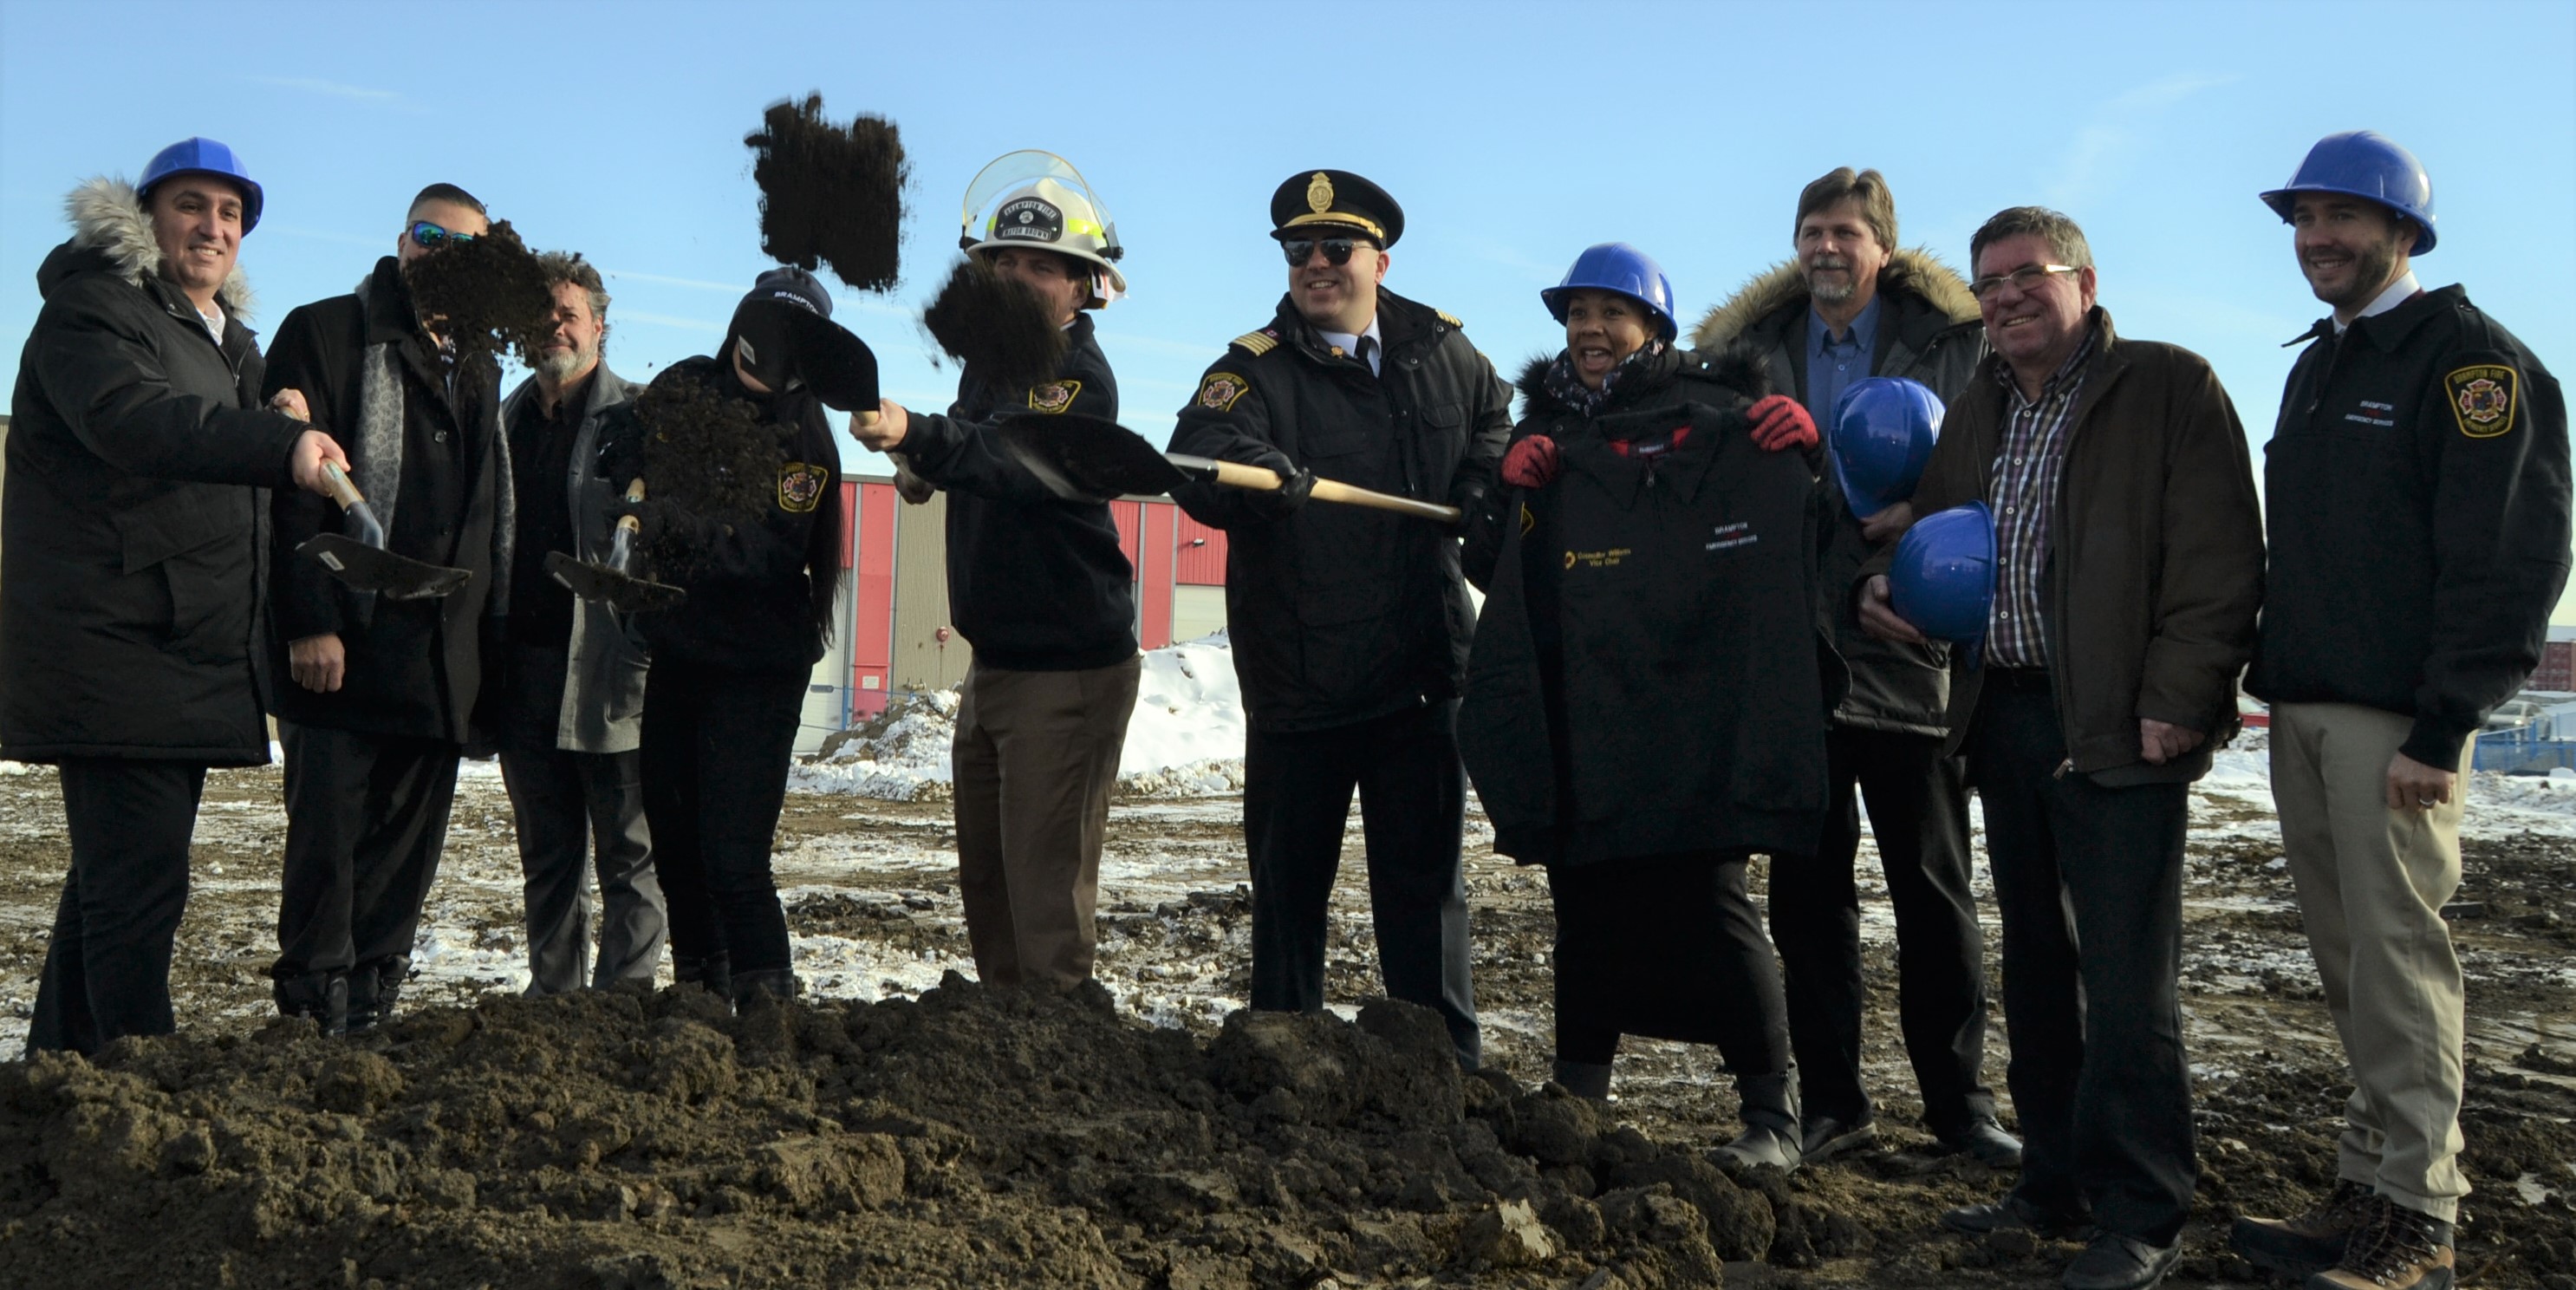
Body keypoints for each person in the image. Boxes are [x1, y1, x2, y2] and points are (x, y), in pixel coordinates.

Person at [1857, 206, 2264, 1290]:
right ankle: (2050, 1180)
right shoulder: (1978, 406)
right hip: (2007, 718)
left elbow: (2219, 565)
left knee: (2129, 982)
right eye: (1986, 286)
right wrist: (1881, 593)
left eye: (2024, 278)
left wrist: (2178, 699)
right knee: (2037, 967)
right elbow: (1935, 536)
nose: (2001, 300)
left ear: (2083, 280)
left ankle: (2140, 1207)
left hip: (2124, 721)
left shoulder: (2168, 389)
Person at [2230, 131, 2570, 1290]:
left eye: (2342, 218)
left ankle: (2420, 1218)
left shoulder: (2470, 365)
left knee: (2400, 963)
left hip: (2395, 731)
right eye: (2303, 220)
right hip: (2306, 714)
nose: (2316, 239)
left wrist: (2446, 726)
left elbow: (2508, 559)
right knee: (2347, 966)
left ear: (2403, 231)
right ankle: (2371, 1181)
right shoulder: (2321, 364)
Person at [1458, 242, 1825, 1168]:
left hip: (1698, 704)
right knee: (1582, 901)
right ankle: (1576, 1098)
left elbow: (1799, 539)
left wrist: (1802, 458)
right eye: (1575, 315)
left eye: (1609, 314)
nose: (1589, 330)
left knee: (1711, 901)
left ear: (1652, 327)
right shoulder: (1542, 429)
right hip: (1589, 700)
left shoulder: (1716, 413)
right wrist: (1510, 496)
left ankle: (1769, 1116)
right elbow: (1490, 567)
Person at [1691, 166, 2014, 1166]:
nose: (1823, 249)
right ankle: (1832, 1102)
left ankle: (1958, 1108)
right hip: (1791, 656)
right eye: (1808, 232)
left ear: (1883, 246)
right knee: (1807, 896)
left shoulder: (1955, 349)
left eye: (1843, 232)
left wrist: (1903, 565)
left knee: (1932, 892)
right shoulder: (1743, 359)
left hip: (1910, 653)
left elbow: (1992, 472)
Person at [4, 138, 348, 1056]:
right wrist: (275, 447)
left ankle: (59, 1077)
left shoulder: (222, 343)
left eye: (231, 214)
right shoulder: (94, 312)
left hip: (179, 648)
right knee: (138, 889)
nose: (213, 226)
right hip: (116, 643)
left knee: (111, 884)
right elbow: (134, 422)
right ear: (146, 215)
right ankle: (138, 1077)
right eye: (192, 206)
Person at [1166, 170, 1509, 1067]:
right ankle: (1279, 1065)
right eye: (1296, 251)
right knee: (1286, 896)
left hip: (1418, 676)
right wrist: (1260, 467)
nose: (1314, 265)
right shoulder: (1251, 368)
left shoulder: (1441, 351)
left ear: (1378, 261)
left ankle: (1442, 1072)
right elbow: (1195, 454)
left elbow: (1494, 422)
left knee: (1425, 893)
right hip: (1300, 686)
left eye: (1334, 248)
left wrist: (1478, 484)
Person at [858, 159, 1138, 990]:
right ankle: (1001, 1058)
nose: (1016, 278)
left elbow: (1017, 458)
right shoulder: (993, 365)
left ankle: (1060, 1070)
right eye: (1003, 263)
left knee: (1045, 898)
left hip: (1067, 670)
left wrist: (920, 438)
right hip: (995, 663)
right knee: (989, 883)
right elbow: (976, 436)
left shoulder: (1078, 382)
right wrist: (927, 464)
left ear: (1088, 286)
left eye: (1041, 266)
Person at [262, 182, 511, 1036]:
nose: (441, 254)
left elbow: (485, 517)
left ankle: (371, 1004)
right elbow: (289, 492)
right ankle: (311, 1009)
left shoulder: (479, 364)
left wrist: (482, 655)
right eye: (427, 234)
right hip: (346, 646)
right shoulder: (326, 332)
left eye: (462, 245)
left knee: (405, 854)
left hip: (436, 658)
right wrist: (309, 618)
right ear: (402, 241)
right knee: (327, 849)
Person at [604, 266, 859, 1011]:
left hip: (757, 668)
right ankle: (700, 994)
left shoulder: (804, 442)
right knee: (675, 840)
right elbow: (636, 442)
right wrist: (623, 449)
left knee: (732, 854)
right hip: (681, 649)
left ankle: (764, 1009)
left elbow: (766, 554)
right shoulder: (687, 385)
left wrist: (678, 529)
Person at [491, 252, 664, 995]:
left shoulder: (641, 418)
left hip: (609, 670)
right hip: (526, 669)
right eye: (543, 315)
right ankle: (554, 1003)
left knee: (629, 848)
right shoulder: (504, 420)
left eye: (569, 313)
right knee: (548, 852)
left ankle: (624, 1002)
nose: (555, 326)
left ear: (599, 324)